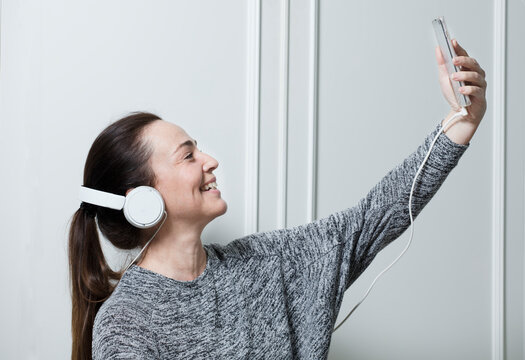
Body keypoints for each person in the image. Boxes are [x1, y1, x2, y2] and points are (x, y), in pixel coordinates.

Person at [68, 39, 486, 360]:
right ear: (142, 199)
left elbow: (376, 215)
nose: (210, 162)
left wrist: (461, 123)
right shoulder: (125, 326)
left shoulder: (267, 264)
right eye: (188, 155)